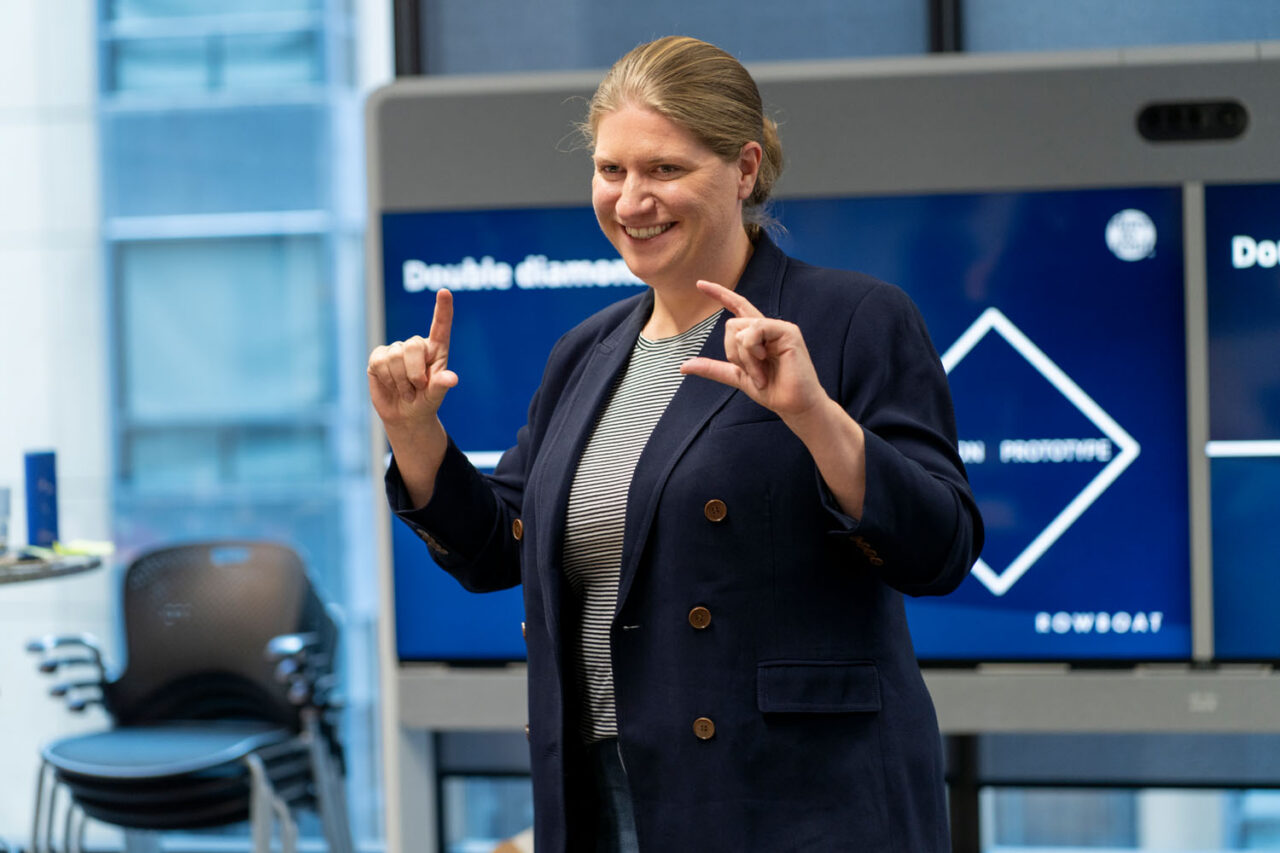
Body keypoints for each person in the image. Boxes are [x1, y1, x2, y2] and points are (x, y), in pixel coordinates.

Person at [368, 35, 983, 853]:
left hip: (796, 801)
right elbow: (498, 548)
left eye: (664, 169)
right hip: (606, 792)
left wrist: (813, 416)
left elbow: (940, 547)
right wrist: (416, 435)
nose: (630, 200)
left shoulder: (849, 319)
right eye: (611, 170)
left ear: (745, 169)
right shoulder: (585, 352)